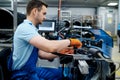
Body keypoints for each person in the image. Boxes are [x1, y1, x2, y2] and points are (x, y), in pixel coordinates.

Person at [8, 0, 82, 80]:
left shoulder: (32, 29)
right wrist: (71, 41)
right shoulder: (25, 28)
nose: (45, 17)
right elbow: (50, 46)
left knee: (59, 73)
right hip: (22, 75)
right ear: (35, 11)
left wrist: (62, 53)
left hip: (31, 71)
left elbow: (42, 54)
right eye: (44, 14)